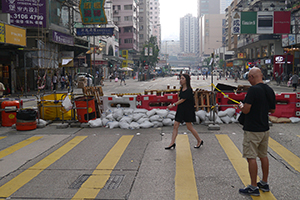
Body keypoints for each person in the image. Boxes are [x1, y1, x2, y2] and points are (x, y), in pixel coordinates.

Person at [238, 67, 276, 196]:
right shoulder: (269, 90)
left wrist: (241, 106)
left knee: (251, 157)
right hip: (264, 128)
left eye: (249, 77)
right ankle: (264, 183)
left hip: (252, 129)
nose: (248, 80)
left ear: (252, 77)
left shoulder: (253, 90)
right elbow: (272, 110)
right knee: (263, 155)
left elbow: (247, 110)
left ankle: (253, 186)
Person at [165, 74, 203, 150]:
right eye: (180, 78)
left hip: (187, 110)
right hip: (181, 109)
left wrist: (173, 105)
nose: (181, 80)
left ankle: (199, 140)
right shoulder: (182, 88)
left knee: (189, 127)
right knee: (175, 125)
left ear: (186, 80)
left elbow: (183, 99)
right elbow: (180, 98)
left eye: (182, 78)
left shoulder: (189, 90)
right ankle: (172, 143)